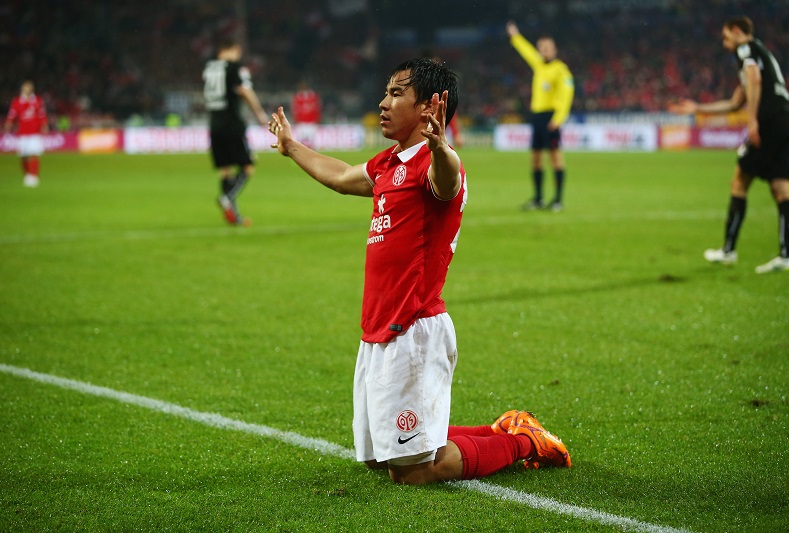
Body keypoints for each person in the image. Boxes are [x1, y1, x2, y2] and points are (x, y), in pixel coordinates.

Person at [268, 57, 571, 485]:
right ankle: (503, 429)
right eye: (386, 92)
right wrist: (291, 146)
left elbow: (447, 181)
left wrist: (440, 147)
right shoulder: (388, 164)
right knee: (381, 459)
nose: (383, 102)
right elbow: (339, 176)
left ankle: (525, 443)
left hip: (414, 328)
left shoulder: (436, 164)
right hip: (378, 326)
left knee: (412, 473)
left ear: (429, 106)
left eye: (396, 93)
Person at [670, 17, 789, 274]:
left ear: (737, 32)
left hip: (767, 122)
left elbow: (754, 79)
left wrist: (752, 120)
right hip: (785, 120)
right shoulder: (761, 53)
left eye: (726, 37)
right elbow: (734, 103)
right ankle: (787, 256)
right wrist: (698, 108)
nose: (724, 43)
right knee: (781, 187)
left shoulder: (746, 49)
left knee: (739, 181)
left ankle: (728, 251)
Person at [507, 21, 574, 212]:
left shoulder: (561, 70)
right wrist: (515, 36)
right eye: (541, 48)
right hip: (537, 116)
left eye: (547, 48)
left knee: (555, 158)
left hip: (551, 116)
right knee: (536, 158)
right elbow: (526, 51)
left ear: (554, 50)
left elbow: (566, 96)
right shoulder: (538, 64)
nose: (543, 51)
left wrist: (558, 119)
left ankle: (558, 200)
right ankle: (538, 199)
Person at [202, 38, 269, 226]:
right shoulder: (235, 67)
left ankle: (234, 215)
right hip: (232, 124)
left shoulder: (209, 68)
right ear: (235, 49)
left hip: (214, 124)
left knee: (225, 170)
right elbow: (244, 90)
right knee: (248, 165)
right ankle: (227, 197)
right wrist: (259, 113)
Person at [5, 80, 48, 188]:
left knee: (34, 153)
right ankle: (27, 175)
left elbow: (42, 115)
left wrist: (44, 125)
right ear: (22, 89)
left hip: (35, 133)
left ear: (32, 89)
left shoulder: (37, 100)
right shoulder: (17, 102)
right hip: (23, 133)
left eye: (29, 88)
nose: (27, 89)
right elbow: (12, 115)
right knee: (23, 155)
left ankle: (34, 176)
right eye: (25, 88)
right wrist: (8, 123)